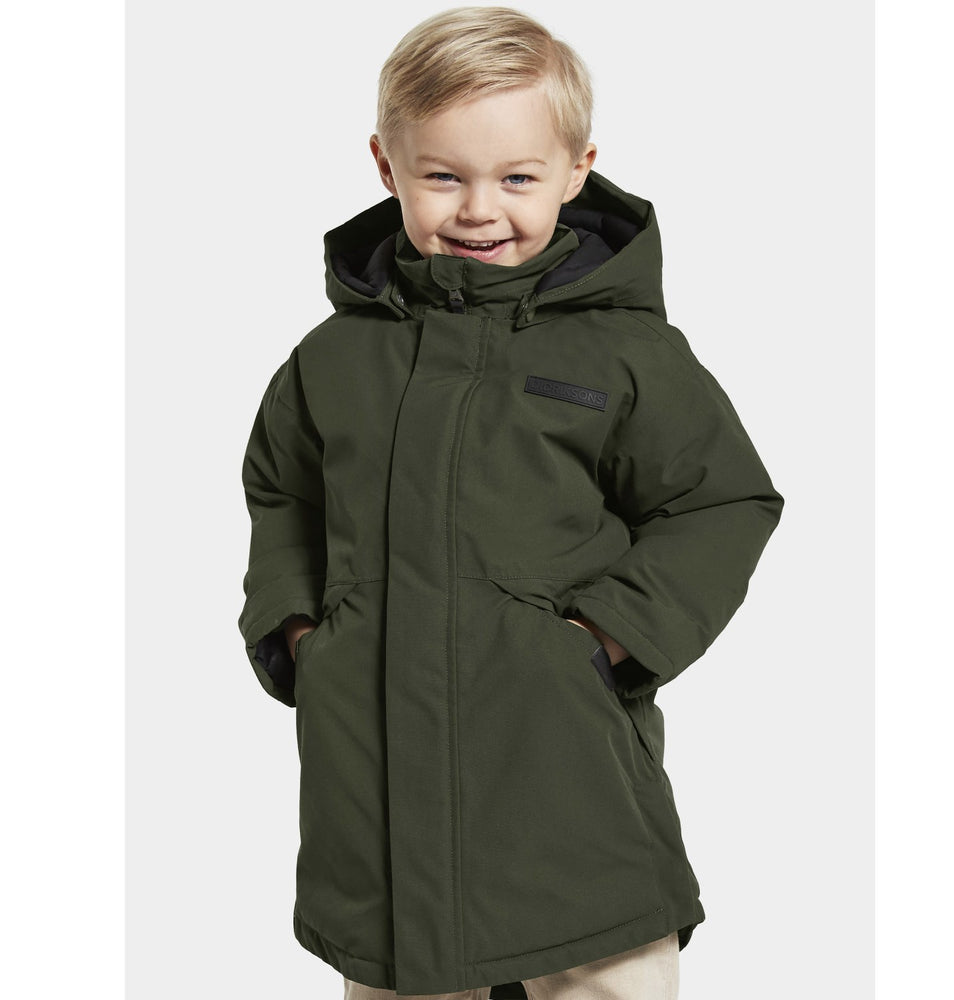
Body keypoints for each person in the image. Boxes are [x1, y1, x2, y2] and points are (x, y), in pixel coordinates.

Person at [238, 7, 783, 999]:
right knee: (402, 972)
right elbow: (283, 491)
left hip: (562, 767)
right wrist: (300, 633)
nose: (479, 209)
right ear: (386, 166)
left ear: (577, 169)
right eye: (443, 176)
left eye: (517, 178)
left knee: (603, 969)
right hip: (375, 784)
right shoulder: (332, 359)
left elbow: (719, 501)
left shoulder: (625, 353)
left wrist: (604, 639)